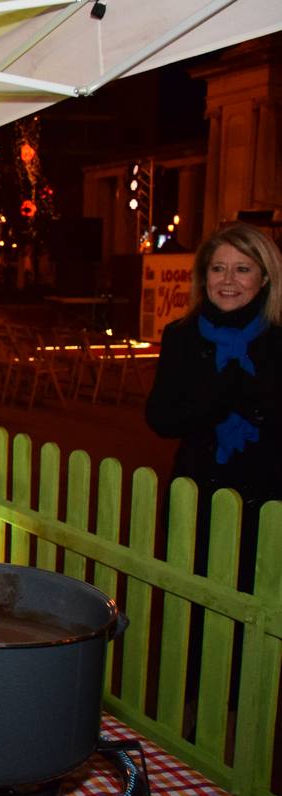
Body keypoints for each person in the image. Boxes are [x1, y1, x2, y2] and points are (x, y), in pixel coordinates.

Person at [146, 222, 281, 592]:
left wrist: (253, 400)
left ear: (265, 278)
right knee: (193, 602)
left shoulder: (276, 340)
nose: (228, 281)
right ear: (204, 276)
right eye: (218, 268)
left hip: (266, 497)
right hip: (197, 491)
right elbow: (161, 418)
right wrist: (222, 395)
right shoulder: (182, 336)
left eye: (243, 269)